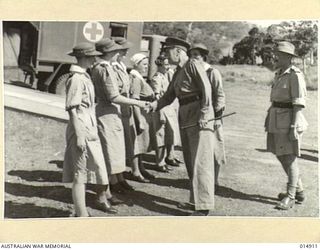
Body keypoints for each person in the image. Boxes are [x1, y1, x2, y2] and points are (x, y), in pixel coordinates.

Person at [149, 37, 215, 216]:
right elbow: (169, 96)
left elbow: (206, 90)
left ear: (178, 51)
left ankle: (203, 206)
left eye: (167, 51)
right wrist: (154, 106)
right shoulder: (179, 70)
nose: (164, 54)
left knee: (200, 161)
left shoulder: (193, 64)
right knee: (190, 160)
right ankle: (195, 202)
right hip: (185, 113)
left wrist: (204, 114)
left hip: (198, 113)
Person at [91, 38, 149, 204]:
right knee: (108, 154)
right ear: (108, 52)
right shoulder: (104, 68)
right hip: (108, 113)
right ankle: (106, 193)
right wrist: (139, 103)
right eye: (115, 50)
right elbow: (113, 96)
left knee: (112, 153)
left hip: (111, 113)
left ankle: (110, 189)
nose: (119, 51)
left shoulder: (104, 67)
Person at [62, 42, 116, 216]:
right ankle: (81, 213)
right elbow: (72, 109)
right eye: (92, 56)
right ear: (84, 57)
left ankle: (83, 210)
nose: (95, 59)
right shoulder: (76, 79)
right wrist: (79, 136)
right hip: (81, 129)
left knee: (90, 170)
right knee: (79, 173)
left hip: (89, 128)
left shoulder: (84, 76)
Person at [265, 41, 308, 210]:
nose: (276, 56)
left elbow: (299, 102)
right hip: (276, 117)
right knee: (280, 154)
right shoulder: (280, 73)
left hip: (289, 119)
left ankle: (290, 196)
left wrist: (293, 126)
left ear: (288, 57)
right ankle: (299, 191)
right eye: (277, 53)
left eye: (280, 54)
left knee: (289, 158)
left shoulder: (295, 74)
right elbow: (275, 98)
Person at [187, 43, 226, 190]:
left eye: (197, 55)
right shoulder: (191, 72)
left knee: (215, 149)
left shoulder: (212, 72)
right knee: (199, 151)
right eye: (191, 55)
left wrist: (217, 118)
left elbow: (220, 95)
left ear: (203, 56)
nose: (194, 58)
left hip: (212, 117)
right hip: (197, 116)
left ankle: (214, 181)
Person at [129, 53, 157, 181]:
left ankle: (141, 168)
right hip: (138, 113)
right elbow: (134, 101)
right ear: (136, 64)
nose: (147, 66)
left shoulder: (139, 77)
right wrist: (139, 120)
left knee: (140, 144)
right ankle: (135, 171)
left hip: (144, 114)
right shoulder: (135, 78)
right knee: (136, 144)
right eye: (144, 64)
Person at [150, 54, 181, 171]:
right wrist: (161, 112)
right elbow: (157, 97)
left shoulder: (166, 75)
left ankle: (169, 157)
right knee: (160, 136)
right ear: (160, 65)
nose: (168, 67)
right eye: (166, 64)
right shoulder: (157, 78)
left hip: (169, 109)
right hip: (161, 110)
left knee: (170, 134)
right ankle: (160, 162)